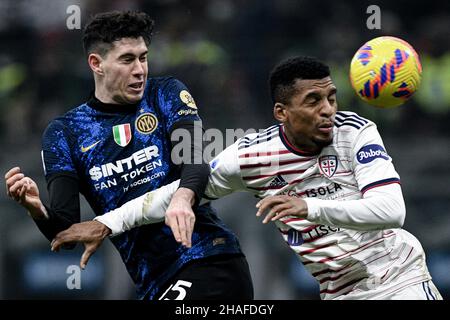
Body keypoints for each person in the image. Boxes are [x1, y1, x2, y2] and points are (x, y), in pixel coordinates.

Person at [52, 56, 443, 300]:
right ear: (281, 112)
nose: (328, 110)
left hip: (398, 279)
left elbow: (392, 211)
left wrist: (307, 206)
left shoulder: (356, 132)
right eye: (313, 101)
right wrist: (106, 222)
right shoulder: (252, 156)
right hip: (338, 292)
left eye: (332, 98)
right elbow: (176, 193)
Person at [4, 10, 254, 300]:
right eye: (127, 59)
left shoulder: (165, 94)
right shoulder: (65, 134)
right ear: (96, 64)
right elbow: (68, 232)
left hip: (208, 259)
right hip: (153, 283)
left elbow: (196, 162)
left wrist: (183, 199)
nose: (140, 69)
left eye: (143, 57)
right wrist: (36, 209)